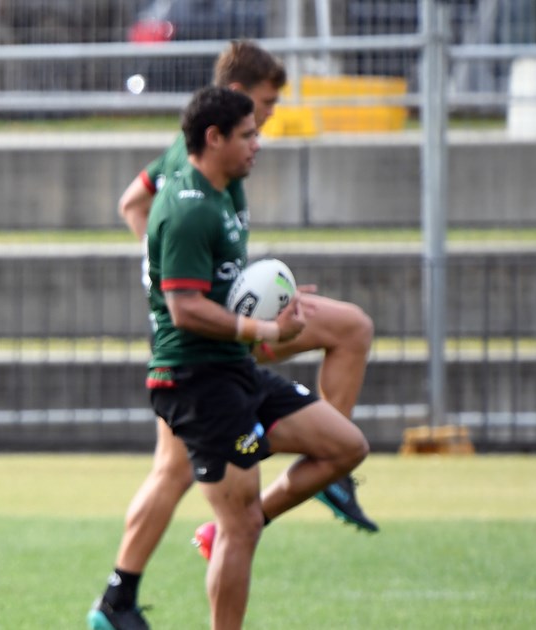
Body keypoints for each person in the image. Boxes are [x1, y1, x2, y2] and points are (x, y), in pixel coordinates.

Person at [90, 41, 378, 630]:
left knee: (340, 443)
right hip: (199, 367)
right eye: (261, 113)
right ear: (224, 124)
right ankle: (131, 591)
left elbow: (149, 216)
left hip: (230, 361)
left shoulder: (224, 181)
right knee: (350, 328)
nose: (265, 128)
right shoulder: (191, 191)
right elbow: (179, 293)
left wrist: (264, 302)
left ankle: (119, 598)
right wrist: (247, 316)